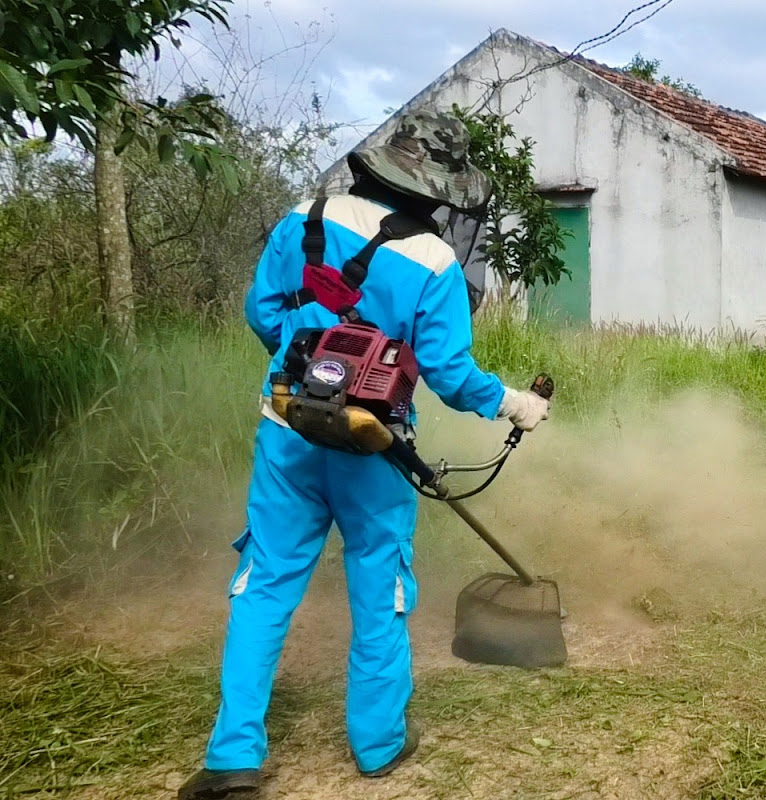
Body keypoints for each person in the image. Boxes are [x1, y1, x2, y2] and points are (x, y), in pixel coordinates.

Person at [178, 108, 551, 800]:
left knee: (265, 581)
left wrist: (307, 365)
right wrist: (512, 403)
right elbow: (449, 374)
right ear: (439, 191)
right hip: (373, 445)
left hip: (287, 425)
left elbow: (262, 313)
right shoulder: (435, 261)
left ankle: (232, 758)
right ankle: (378, 742)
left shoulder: (305, 217)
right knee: (380, 584)